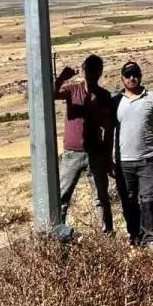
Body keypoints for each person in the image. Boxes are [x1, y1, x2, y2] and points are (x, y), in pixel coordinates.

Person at [53, 54, 115, 234]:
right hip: (71, 153)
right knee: (62, 197)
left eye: (95, 69)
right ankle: (58, 234)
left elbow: (108, 127)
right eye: (89, 69)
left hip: (95, 153)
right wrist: (62, 78)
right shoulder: (73, 90)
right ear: (84, 70)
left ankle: (106, 237)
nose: (92, 73)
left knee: (101, 198)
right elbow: (51, 95)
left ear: (100, 72)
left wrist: (108, 156)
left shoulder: (104, 96)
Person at [112, 60, 153, 251]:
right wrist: (110, 158)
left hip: (148, 159)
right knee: (128, 200)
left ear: (140, 76)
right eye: (128, 75)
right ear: (122, 78)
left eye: (135, 74)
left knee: (149, 198)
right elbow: (109, 131)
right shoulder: (115, 101)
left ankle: (150, 237)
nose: (132, 78)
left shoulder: (152, 97)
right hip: (123, 161)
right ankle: (134, 236)